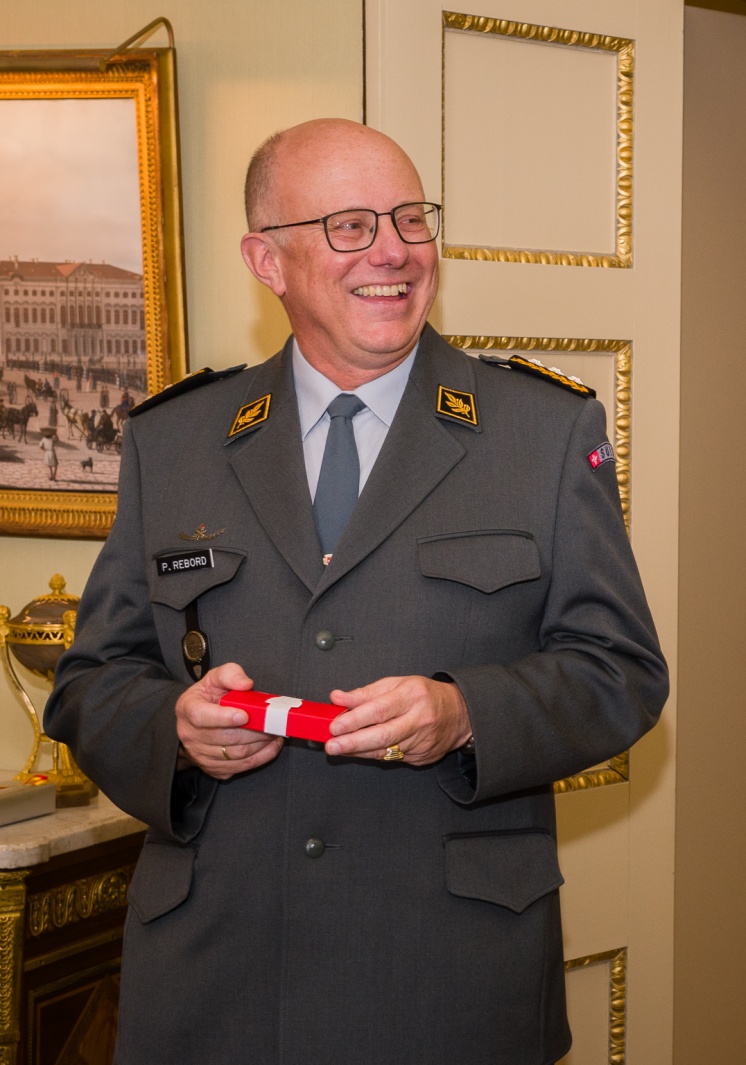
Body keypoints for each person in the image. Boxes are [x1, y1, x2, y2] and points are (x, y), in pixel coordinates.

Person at [45, 118, 667, 1064]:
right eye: (349, 225)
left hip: (447, 985)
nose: (394, 251)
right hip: (217, 987)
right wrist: (173, 727)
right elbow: (92, 679)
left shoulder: (538, 430)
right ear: (268, 259)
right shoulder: (174, 441)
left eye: (411, 218)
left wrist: (466, 712)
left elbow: (621, 671)